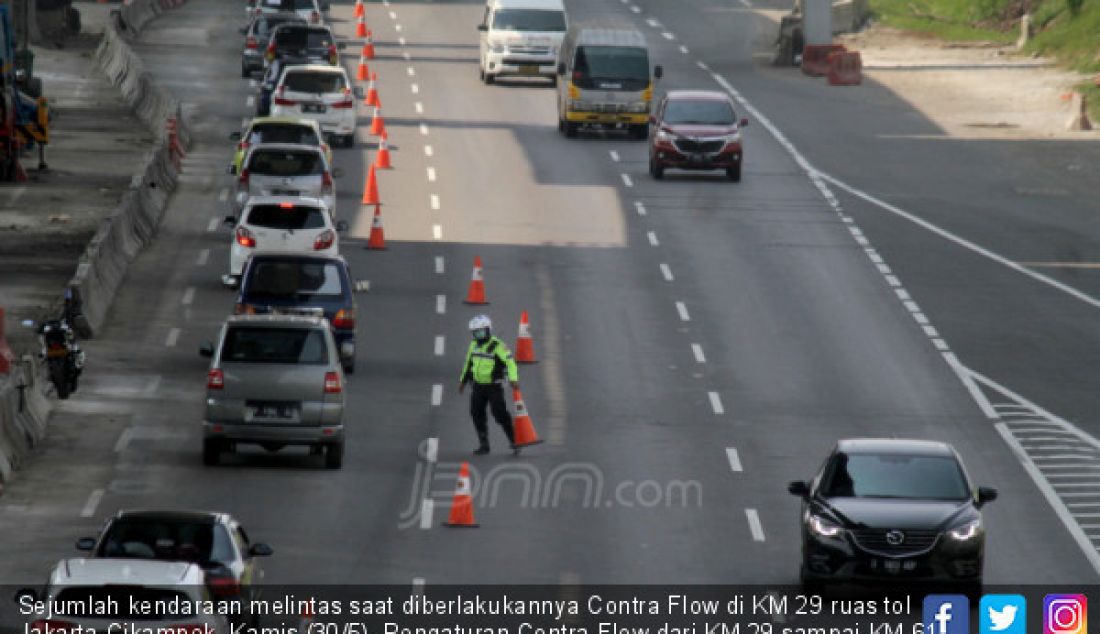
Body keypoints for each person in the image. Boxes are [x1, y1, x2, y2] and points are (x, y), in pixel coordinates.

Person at [458, 315, 519, 455]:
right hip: (478, 386)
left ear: (488, 330)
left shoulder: (498, 346)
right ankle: (484, 444)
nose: (478, 335)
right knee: (476, 413)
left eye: (481, 332)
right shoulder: (473, 345)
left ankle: (514, 440)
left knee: (499, 413)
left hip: (494, 387)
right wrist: (463, 381)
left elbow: (511, 363)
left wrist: (513, 379)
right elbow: (468, 363)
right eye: (475, 333)